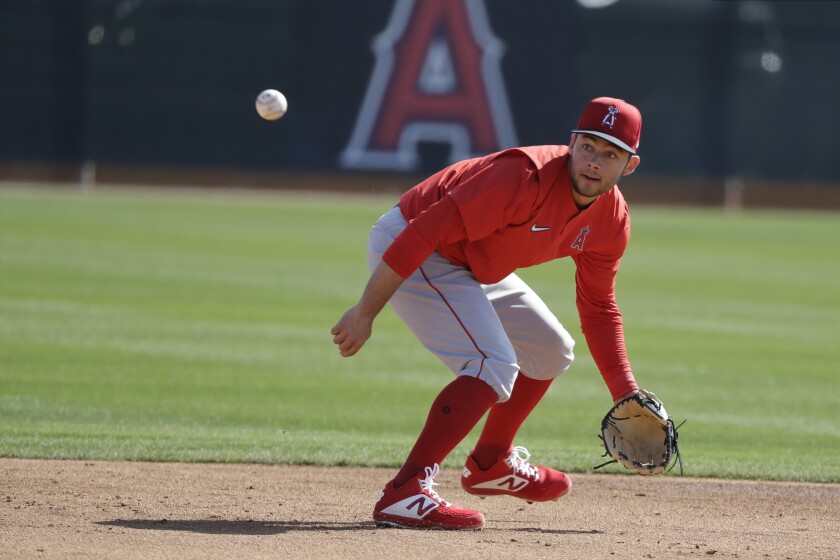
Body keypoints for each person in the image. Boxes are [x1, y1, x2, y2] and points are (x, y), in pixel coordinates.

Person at [331, 97, 643, 530]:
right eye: (588, 146)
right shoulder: (522, 177)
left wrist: (624, 392)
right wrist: (366, 311)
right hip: (414, 242)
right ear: (572, 143)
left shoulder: (611, 220)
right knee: (492, 363)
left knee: (551, 349)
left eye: (610, 154)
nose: (594, 161)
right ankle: (405, 492)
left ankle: (490, 464)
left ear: (629, 165)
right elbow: (427, 229)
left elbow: (598, 306)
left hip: (473, 261)